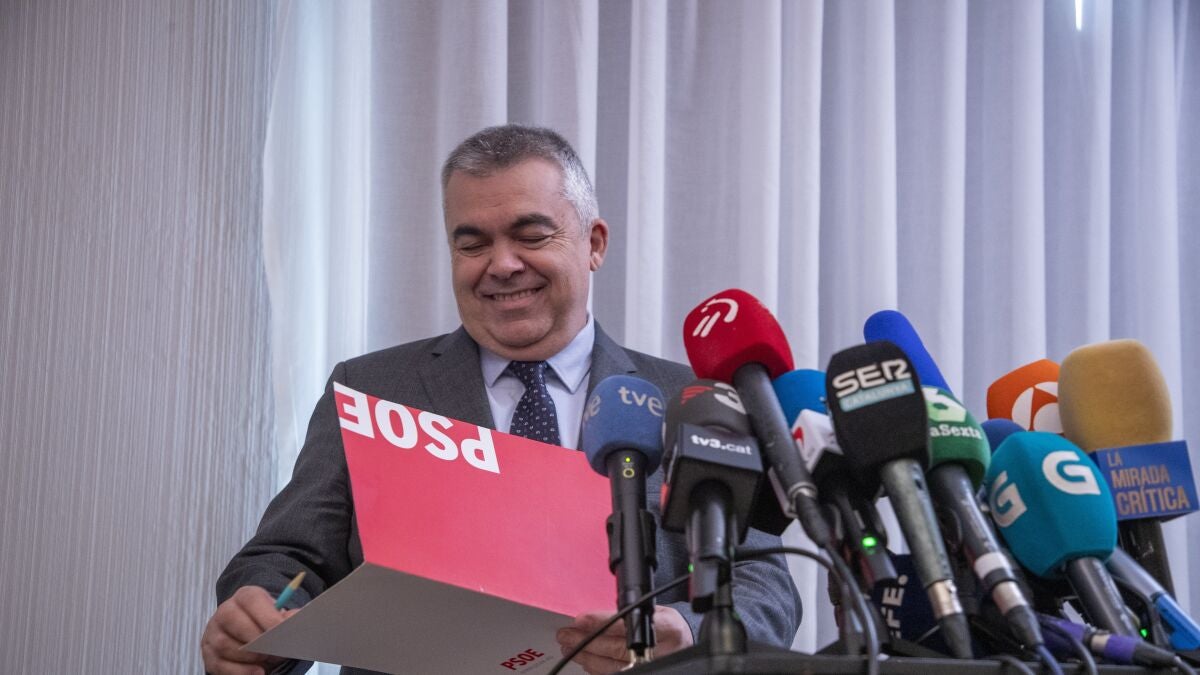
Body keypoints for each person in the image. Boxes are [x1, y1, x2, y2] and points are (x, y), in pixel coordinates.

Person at [201, 125, 801, 675]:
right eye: (472, 245)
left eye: (531, 235)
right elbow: (291, 558)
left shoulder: (693, 400)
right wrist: (259, 618)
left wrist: (689, 635)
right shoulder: (371, 390)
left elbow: (762, 581)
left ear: (594, 243)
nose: (502, 265)